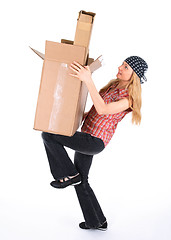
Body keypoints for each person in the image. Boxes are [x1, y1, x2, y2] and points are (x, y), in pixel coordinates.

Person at [41, 56, 148, 231]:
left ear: (134, 75)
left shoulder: (128, 99)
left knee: (48, 135)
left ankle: (67, 174)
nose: (120, 67)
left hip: (94, 141)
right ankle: (97, 222)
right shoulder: (114, 85)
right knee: (82, 182)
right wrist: (76, 116)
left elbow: (103, 109)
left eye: (126, 66)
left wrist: (88, 79)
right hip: (87, 135)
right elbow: (95, 110)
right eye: (122, 63)